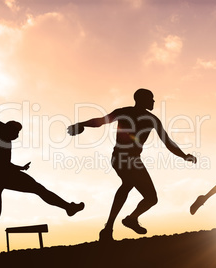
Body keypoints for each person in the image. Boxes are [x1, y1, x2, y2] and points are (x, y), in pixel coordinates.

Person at [67, 88, 197, 242]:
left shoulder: (145, 118)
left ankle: (115, 226)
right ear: (142, 100)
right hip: (124, 159)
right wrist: (80, 124)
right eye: (151, 98)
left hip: (127, 159)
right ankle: (122, 223)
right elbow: (101, 121)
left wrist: (183, 156)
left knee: (138, 191)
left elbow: (167, 142)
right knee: (141, 192)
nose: (154, 101)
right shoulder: (142, 117)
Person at [0, 101, 84, 221]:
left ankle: (68, 207)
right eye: (16, 132)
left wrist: (20, 168)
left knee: (38, 189)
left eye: (18, 133)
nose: (17, 136)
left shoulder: (7, 141)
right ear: (8, 128)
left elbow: (4, 164)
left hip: (5, 175)